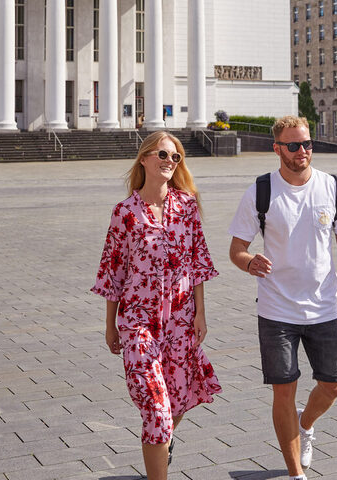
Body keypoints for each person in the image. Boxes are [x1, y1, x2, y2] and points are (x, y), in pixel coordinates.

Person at [229, 115, 337, 480]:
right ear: (277, 149)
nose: (303, 151)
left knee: (333, 385)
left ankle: (306, 425)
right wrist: (248, 262)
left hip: (324, 308)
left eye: (307, 143)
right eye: (294, 145)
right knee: (283, 392)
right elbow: (236, 249)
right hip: (276, 310)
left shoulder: (333, 188)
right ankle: (295, 474)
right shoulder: (261, 191)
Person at [92, 132, 221, 480]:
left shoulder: (188, 206)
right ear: (144, 158)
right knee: (157, 411)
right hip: (138, 323)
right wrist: (110, 325)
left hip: (180, 323)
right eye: (163, 154)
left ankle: (162, 445)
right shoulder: (125, 213)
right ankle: (159, 455)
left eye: (176, 157)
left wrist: (200, 316)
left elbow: (198, 265)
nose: (169, 161)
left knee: (175, 403)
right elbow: (112, 272)